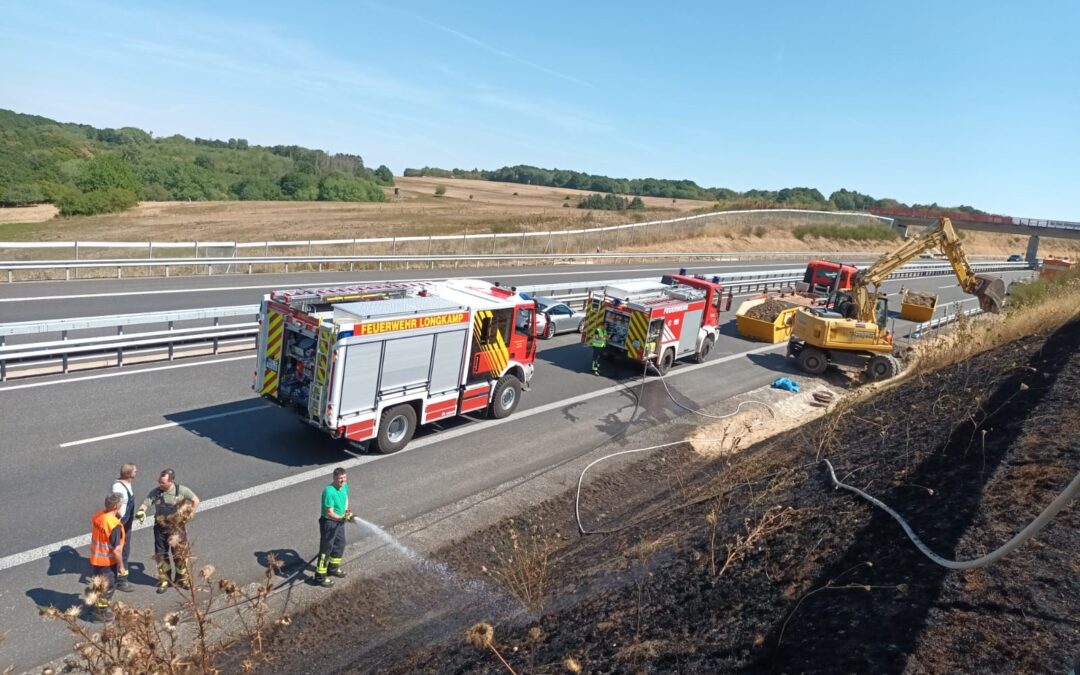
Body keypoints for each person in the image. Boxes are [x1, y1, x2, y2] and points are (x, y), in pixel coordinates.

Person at [135, 468, 199, 593]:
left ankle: (182, 579)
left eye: (163, 483)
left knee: (180, 554)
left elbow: (196, 500)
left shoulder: (181, 490)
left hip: (177, 528)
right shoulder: (156, 492)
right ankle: (165, 580)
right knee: (161, 555)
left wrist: (190, 514)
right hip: (160, 528)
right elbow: (145, 504)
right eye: (159, 482)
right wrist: (141, 511)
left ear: (171, 481)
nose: (160, 484)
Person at [89, 493, 131, 621]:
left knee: (98, 584)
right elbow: (117, 550)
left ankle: (95, 604)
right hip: (107, 561)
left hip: (96, 558)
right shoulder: (113, 525)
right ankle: (100, 612)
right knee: (108, 587)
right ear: (117, 506)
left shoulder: (99, 516)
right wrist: (121, 567)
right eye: (121, 504)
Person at [314, 467, 354, 588]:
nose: (342, 481)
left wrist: (346, 511)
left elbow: (346, 497)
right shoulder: (329, 491)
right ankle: (319, 576)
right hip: (329, 523)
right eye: (340, 479)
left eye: (344, 478)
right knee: (326, 550)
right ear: (334, 478)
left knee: (340, 544)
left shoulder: (345, 486)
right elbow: (329, 512)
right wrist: (341, 518)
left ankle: (332, 568)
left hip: (339, 521)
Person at [110, 463, 137, 592]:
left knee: (125, 550)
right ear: (129, 474)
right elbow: (117, 506)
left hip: (126, 524)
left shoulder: (126, 483)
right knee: (122, 551)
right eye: (135, 471)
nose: (136, 472)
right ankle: (121, 580)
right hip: (121, 524)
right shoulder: (119, 488)